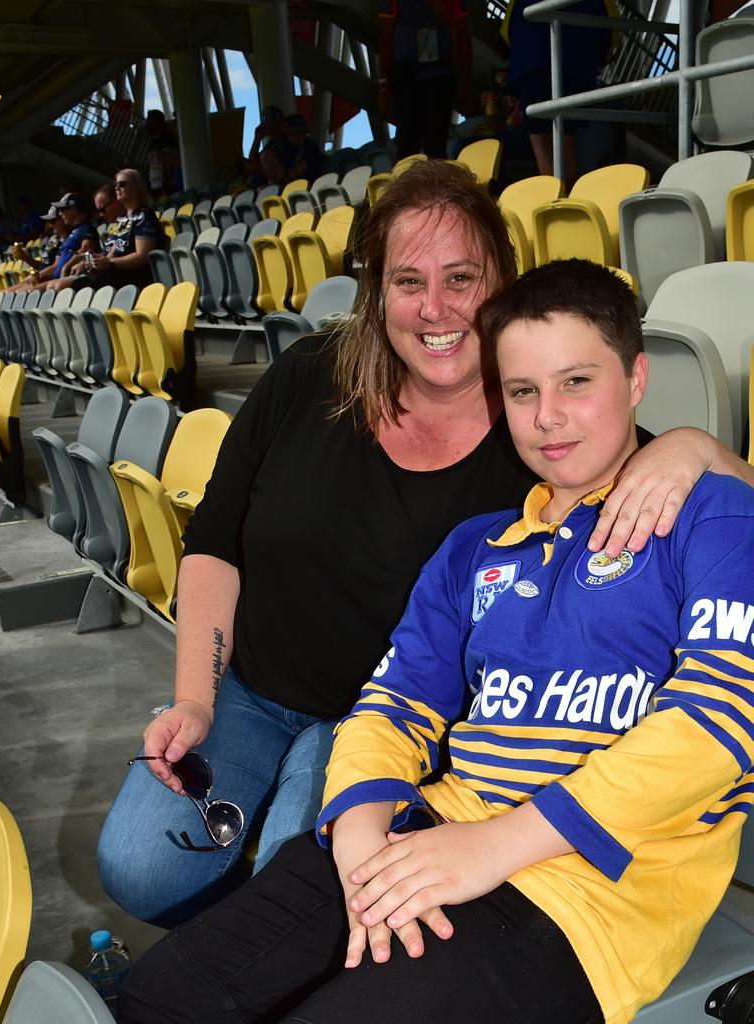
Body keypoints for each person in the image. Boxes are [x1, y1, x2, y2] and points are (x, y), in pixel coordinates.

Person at [98, 161, 754, 932]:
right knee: (138, 870)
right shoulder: (308, 373)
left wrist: (692, 444)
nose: (435, 308)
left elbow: (715, 495)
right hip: (250, 692)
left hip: (399, 727)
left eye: (462, 278)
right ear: (377, 290)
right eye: (409, 281)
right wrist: (195, 700)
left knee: (301, 898)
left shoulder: (538, 425)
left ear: (501, 281)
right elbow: (213, 546)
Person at [501, 0, 616, 185]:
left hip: (532, 64)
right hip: (578, 68)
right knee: (567, 139)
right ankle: (565, 198)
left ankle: (556, 198)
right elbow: (611, 31)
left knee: (542, 141)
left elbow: (507, 30)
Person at [379, 0, 473, 158]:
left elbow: (463, 34)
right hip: (407, 79)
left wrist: (465, 84)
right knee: (407, 147)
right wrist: (383, 84)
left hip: (440, 78)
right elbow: (386, 36)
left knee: (436, 148)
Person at [64, 170, 165, 291]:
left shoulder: (144, 216)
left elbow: (142, 256)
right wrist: (96, 261)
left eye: (122, 184)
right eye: (116, 184)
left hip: (134, 276)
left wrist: (110, 263)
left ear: (137, 187)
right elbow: (114, 250)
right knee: (77, 285)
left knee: (87, 290)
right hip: (116, 272)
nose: (117, 188)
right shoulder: (123, 220)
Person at [247, 105, 296, 188]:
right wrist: (257, 139)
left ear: (280, 123)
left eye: (272, 124)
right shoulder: (271, 145)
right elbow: (253, 163)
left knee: (266, 155)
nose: (269, 128)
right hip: (272, 184)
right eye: (267, 125)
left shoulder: (291, 140)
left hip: (287, 183)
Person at [145, 109, 181, 200]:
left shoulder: (167, 139)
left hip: (166, 185)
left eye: (150, 120)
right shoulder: (153, 141)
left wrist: (165, 184)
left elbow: (169, 162)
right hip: (155, 185)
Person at [283, 113, 324, 183]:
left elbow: (298, 172)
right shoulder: (294, 148)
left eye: (289, 134)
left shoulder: (310, 146)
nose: (288, 138)